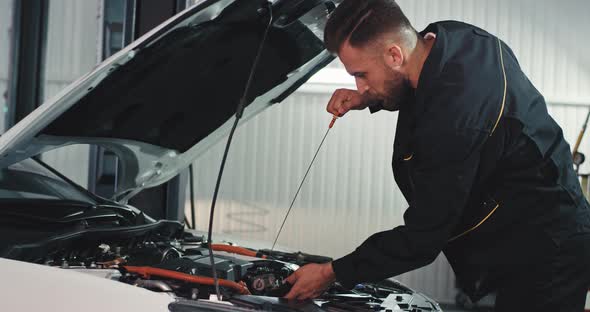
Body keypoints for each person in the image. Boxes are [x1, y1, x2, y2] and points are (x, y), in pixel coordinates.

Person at [283, 0, 590, 310]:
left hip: (549, 251)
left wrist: (332, 272)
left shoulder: (457, 119)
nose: (359, 84)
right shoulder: (449, 37)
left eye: (361, 74)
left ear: (394, 55)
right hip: (534, 228)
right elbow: (427, 87)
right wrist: (368, 96)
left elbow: (423, 237)